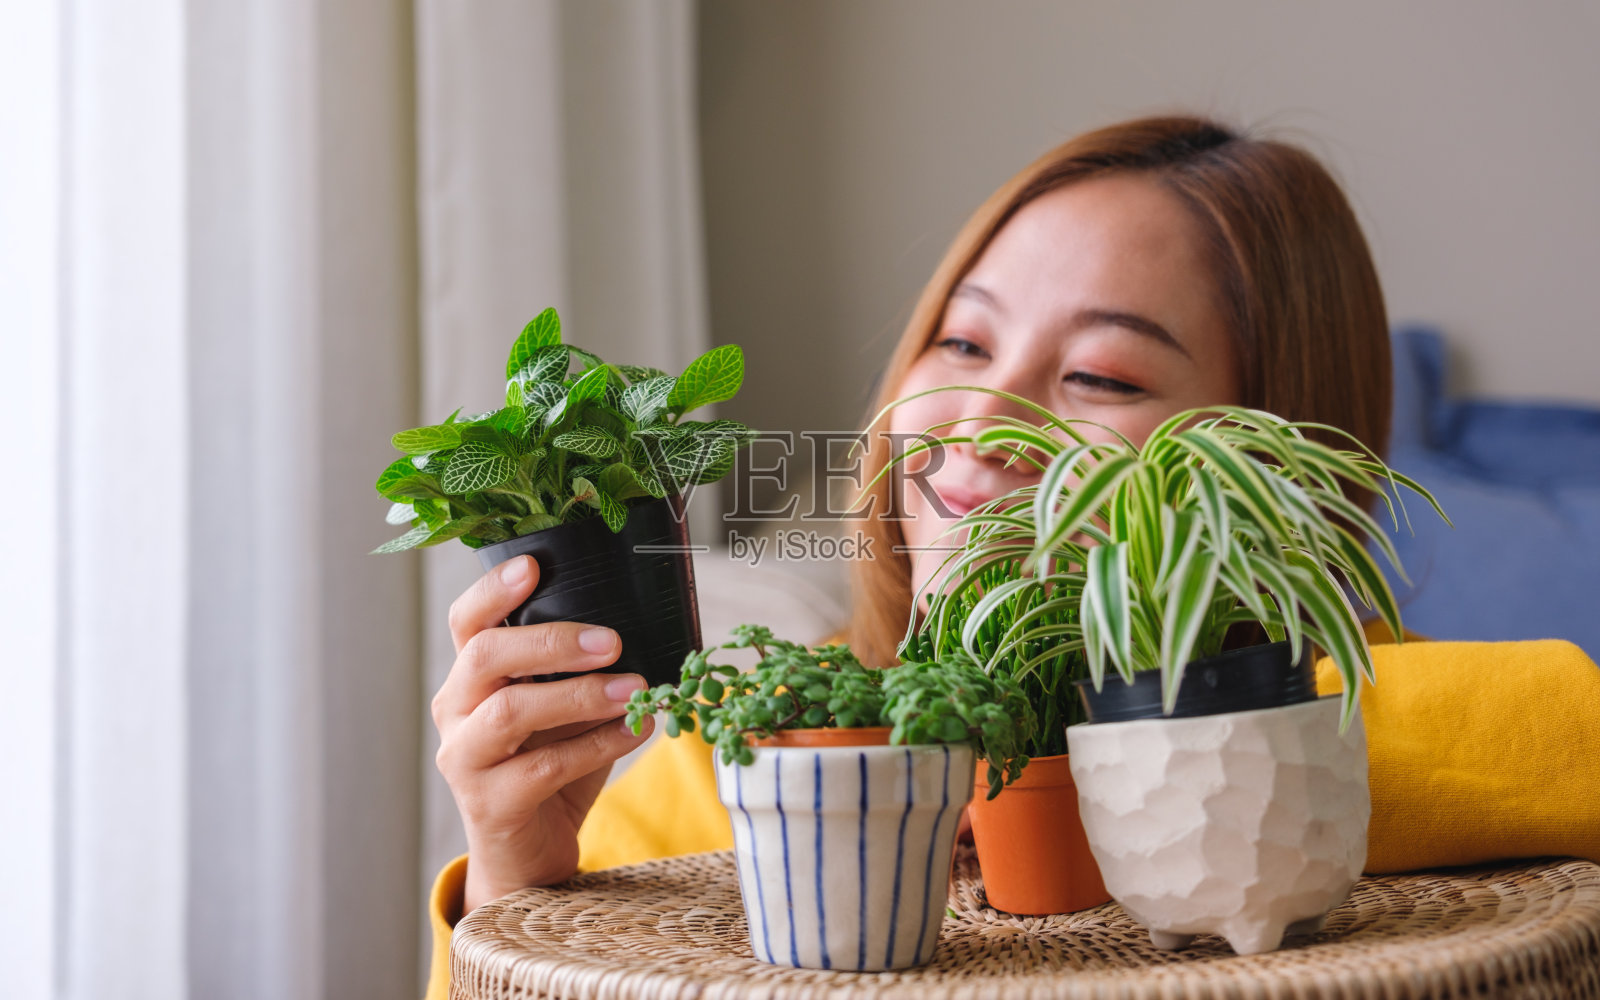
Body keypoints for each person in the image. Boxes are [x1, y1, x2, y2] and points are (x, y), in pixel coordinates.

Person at [423, 114, 1397, 997]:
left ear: (1272, 457)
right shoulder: (733, 759)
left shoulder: (1395, 741)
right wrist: (519, 894)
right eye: (963, 343)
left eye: (1099, 374)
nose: (977, 423)